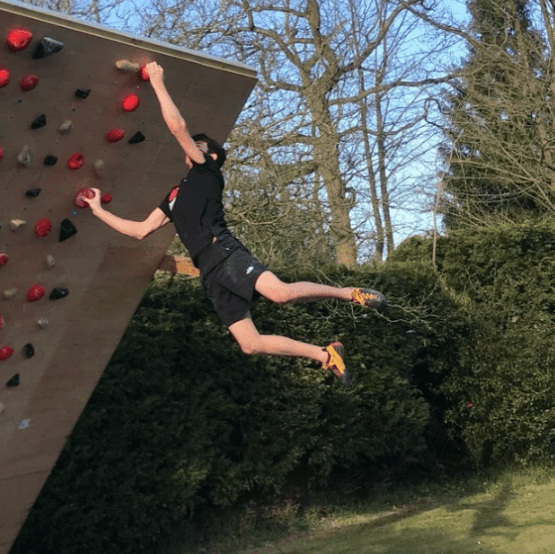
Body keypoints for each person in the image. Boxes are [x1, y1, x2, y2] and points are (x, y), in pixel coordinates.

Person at [80, 61, 386, 386]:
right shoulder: (174, 195)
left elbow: (177, 128)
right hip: (211, 271)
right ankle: (326, 355)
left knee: (280, 294)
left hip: (225, 253)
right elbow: (140, 230)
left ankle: (349, 294)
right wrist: (98, 210)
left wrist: (156, 81)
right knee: (250, 345)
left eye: (199, 144)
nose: (191, 145)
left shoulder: (207, 173)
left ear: (210, 156)